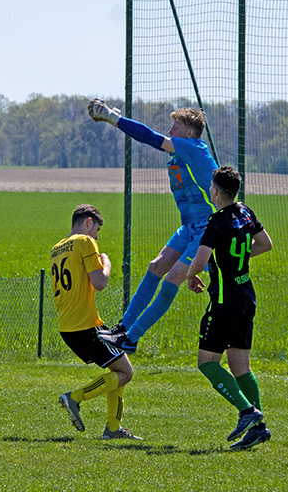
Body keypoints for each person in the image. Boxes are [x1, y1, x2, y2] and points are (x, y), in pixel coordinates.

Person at [87, 98, 219, 354]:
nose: (170, 132)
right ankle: (122, 328)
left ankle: (131, 338)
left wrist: (112, 117)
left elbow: (149, 136)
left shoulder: (193, 148)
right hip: (189, 226)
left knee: (173, 277)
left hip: (208, 227)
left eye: (175, 127)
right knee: (156, 266)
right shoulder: (180, 153)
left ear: (189, 133)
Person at [185, 166, 273, 449]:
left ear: (214, 191)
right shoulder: (245, 211)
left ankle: (247, 411)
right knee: (240, 366)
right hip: (246, 295)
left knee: (207, 362)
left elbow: (200, 260)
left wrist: (191, 276)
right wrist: (238, 260)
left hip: (225, 301)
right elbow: (266, 244)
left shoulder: (217, 221)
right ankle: (259, 428)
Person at [51, 204, 140, 440]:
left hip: (67, 326)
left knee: (118, 368)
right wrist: (106, 263)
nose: (97, 237)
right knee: (126, 372)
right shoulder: (85, 241)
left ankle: (113, 428)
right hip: (86, 324)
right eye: (97, 230)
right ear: (89, 221)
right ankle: (74, 398)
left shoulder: (57, 248)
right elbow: (100, 282)